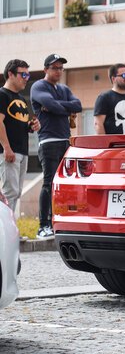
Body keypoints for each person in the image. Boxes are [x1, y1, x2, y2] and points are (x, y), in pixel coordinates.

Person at [30, 54, 82, 239]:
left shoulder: (64, 88)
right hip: (49, 141)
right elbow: (51, 103)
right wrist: (59, 107)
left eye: (61, 68)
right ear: (46, 70)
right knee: (49, 183)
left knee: (64, 184)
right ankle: (43, 227)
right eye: (54, 68)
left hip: (65, 141)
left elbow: (78, 105)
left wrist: (56, 107)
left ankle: (59, 223)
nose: (58, 71)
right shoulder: (38, 86)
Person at [0, 60, 41, 218]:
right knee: (9, 192)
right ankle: (6, 232)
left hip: (22, 151)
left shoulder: (21, 100)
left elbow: (19, 125)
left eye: (28, 75)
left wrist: (32, 126)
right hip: (10, 152)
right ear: (10, 74)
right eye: (23, 74)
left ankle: (11, 230)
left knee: (16, 192)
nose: (26, 78)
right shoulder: (2, 94)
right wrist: (6, 148)